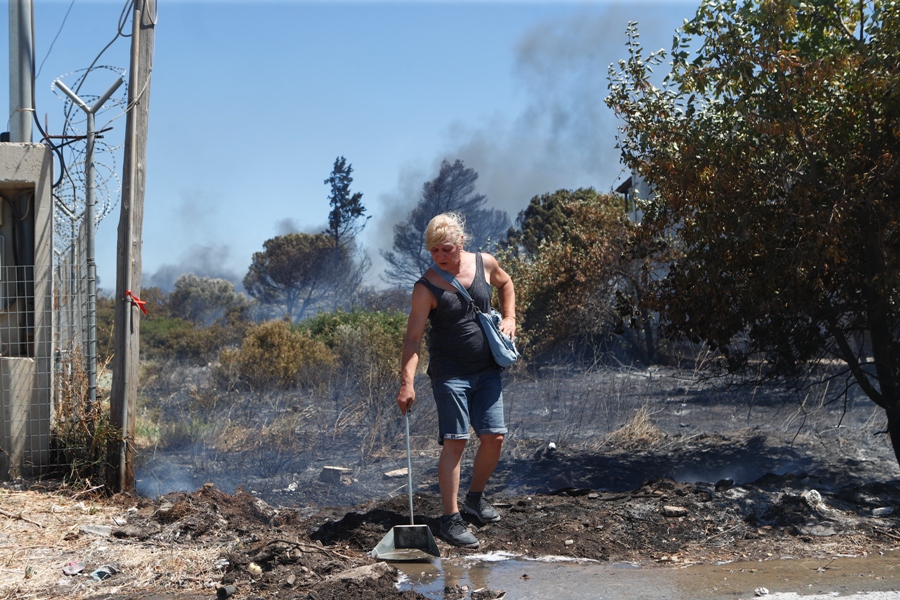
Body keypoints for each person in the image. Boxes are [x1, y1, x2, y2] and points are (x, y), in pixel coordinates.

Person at [396, 212, 516, 548]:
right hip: (450, 375)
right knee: (457, 441)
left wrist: (510, 317)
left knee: (494, 438)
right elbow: (412, 340)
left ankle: (474, 501)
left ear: (461, 243)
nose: (440, 257)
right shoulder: (426, 287)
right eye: (434, 251)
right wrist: (407, 382)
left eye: (446, 249)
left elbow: (506, 283)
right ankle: (450, 520)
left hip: (488, 369)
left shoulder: (484, 263)